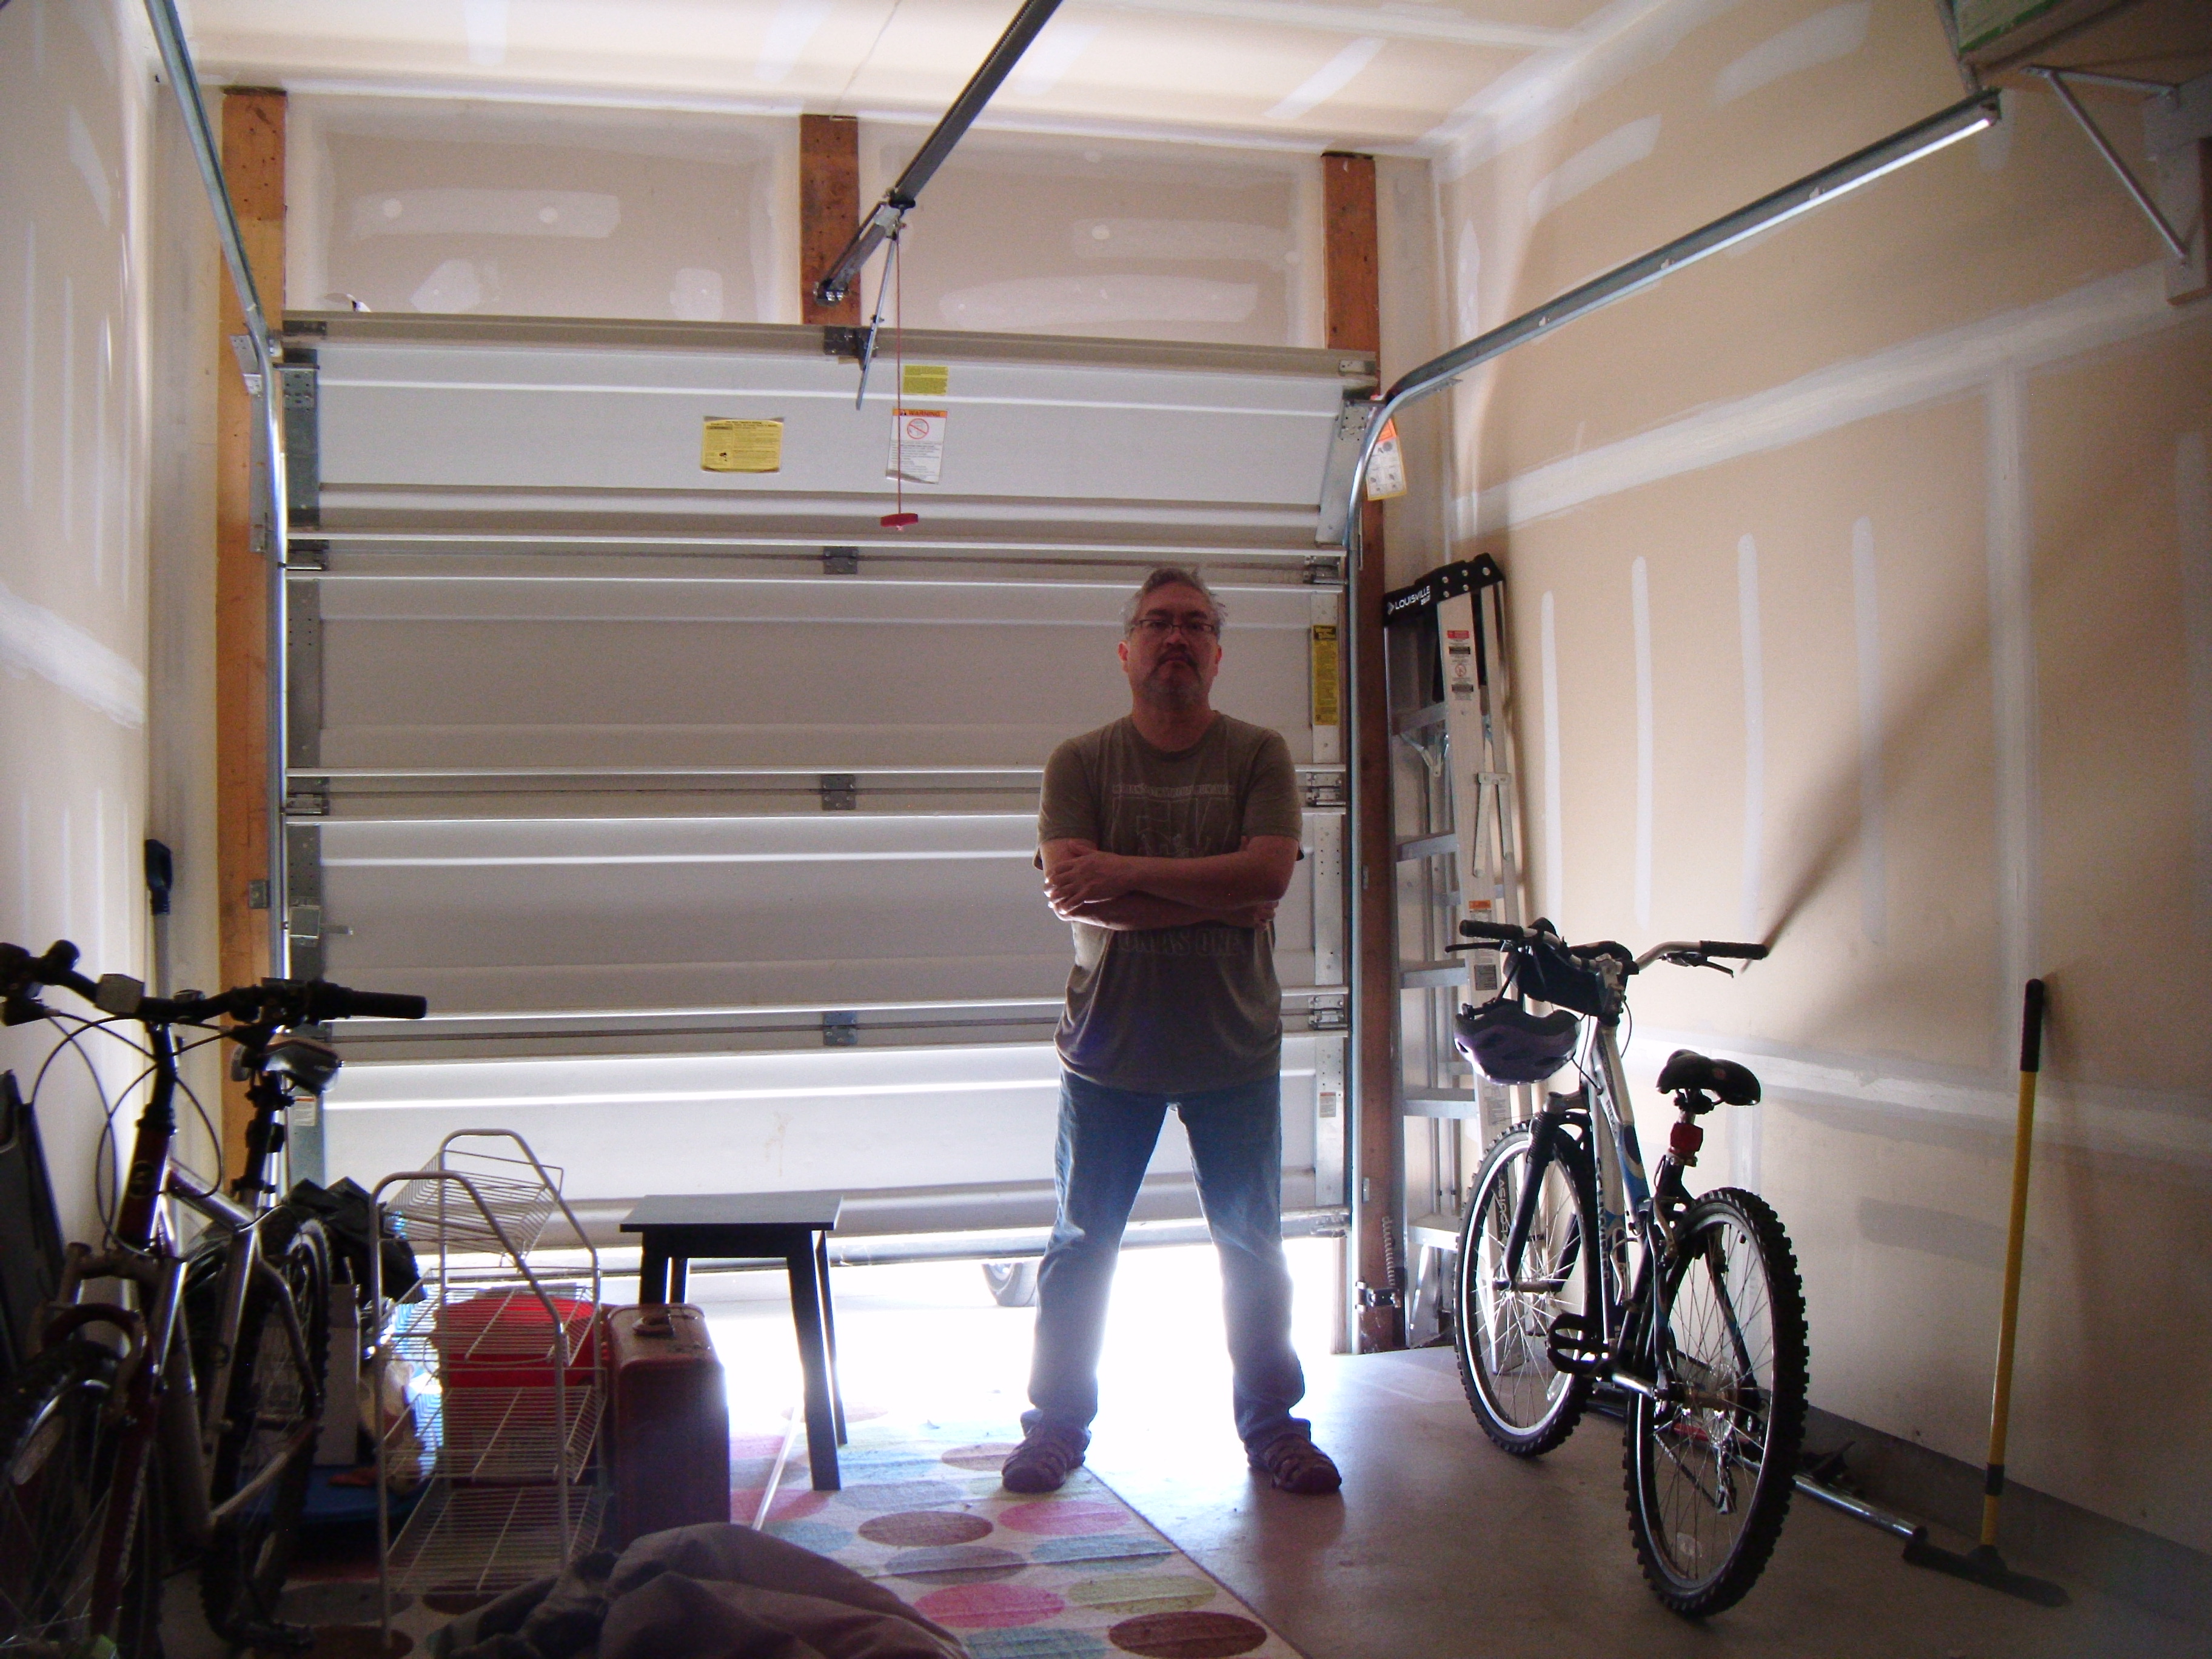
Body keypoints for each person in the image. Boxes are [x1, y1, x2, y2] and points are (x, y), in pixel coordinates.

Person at [999, 566, 1342, 1498]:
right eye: (1158, 623)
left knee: (1253, 1248)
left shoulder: (1260, 754)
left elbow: (1266, 880)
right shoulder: (1079, 762)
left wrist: (1125, 877)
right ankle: (1056, 1426)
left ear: (1218, 655)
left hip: (1234, 1048)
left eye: (1195, 624)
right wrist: (1215, 895)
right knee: (1081, 1247)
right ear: (1127, 652)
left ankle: (1274, 1428)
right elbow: (1078, 893)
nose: (1176, 638)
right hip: (1108, 1052)